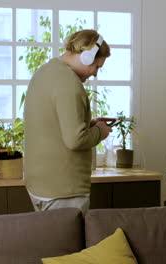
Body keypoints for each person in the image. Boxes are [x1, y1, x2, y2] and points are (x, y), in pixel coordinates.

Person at [24, 29, 113, 213]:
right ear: (87, 56)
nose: (95, 74)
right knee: (70, 242)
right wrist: (100, 132)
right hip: (64, 190)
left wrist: (89, 125)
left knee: (52, 241)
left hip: (40, 186)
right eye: (97, 66)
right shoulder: (70, 83)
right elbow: (75, 140)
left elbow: (50, 125)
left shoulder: (44, 72)